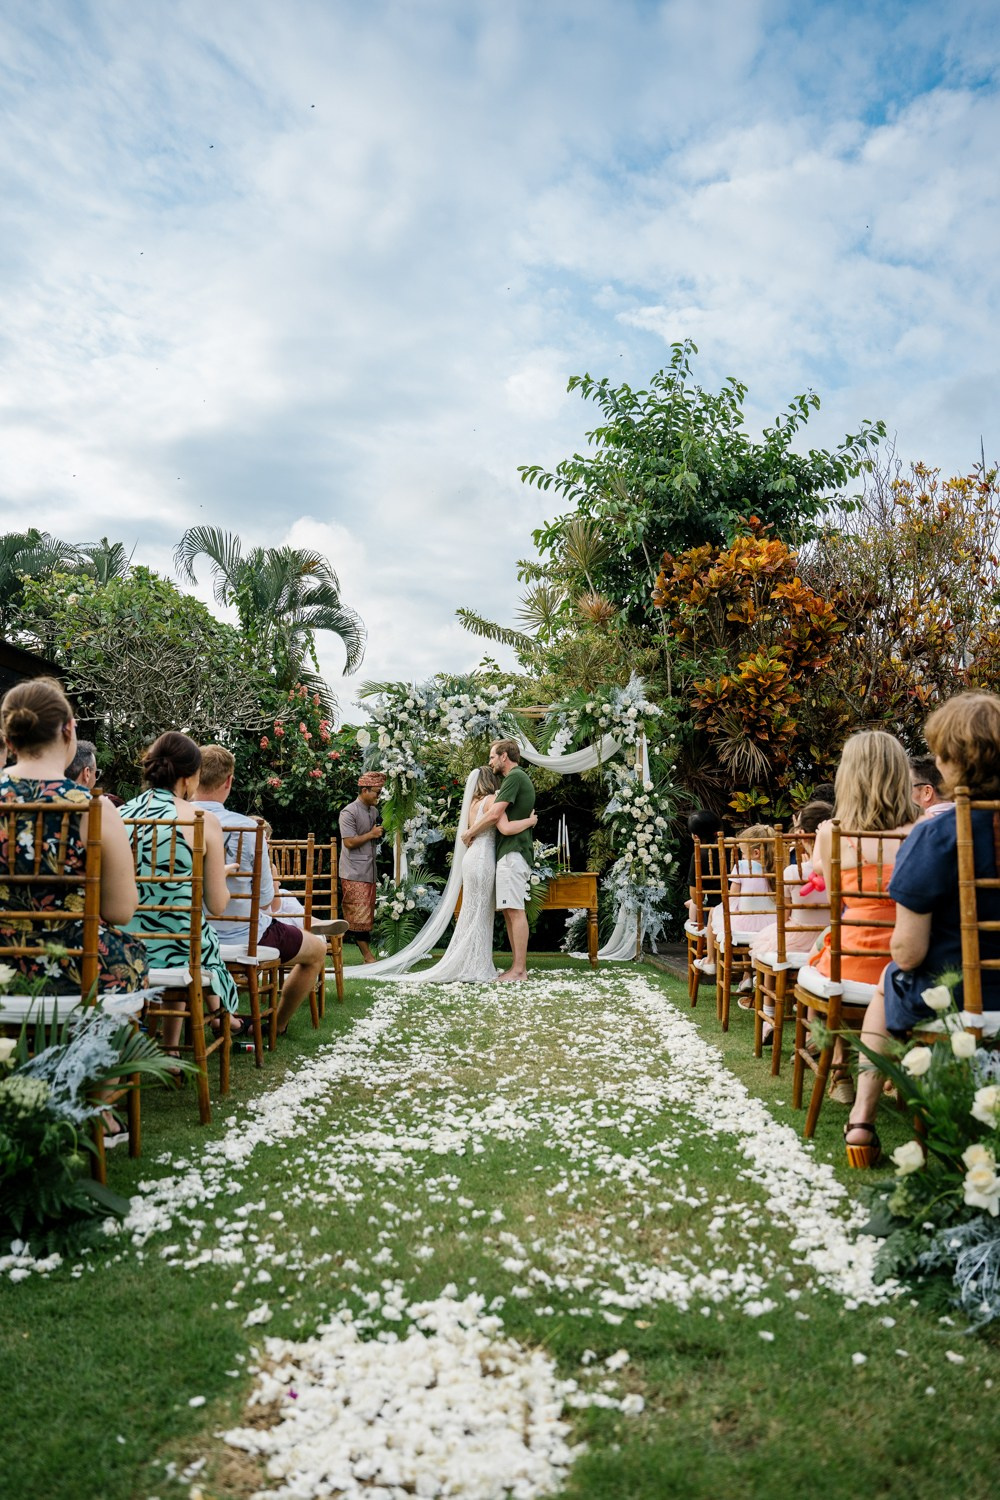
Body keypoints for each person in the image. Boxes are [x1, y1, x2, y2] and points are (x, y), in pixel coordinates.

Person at [845, 694, 1000, 1166]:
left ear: (953, 760)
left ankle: (861, 1122)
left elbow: (908, 952)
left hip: (959, 994)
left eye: (938, 751)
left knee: (889, 978)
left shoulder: (937, 835)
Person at [0, 677, 148, 999]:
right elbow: (121, 910)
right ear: (69, 729)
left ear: (9, 741)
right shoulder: (94, 808)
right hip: (78, 971)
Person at [803, 730, 917, 1108]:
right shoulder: (921, 833)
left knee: (825, 953)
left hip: (852, 961)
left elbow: (837, 907)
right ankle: (894, 1063)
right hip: (904, 960)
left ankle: (839, 1069)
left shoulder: (833, 835)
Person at [193, 745, 328, 1033]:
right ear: (229, 781)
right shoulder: (249, 828)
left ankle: (220, 1015)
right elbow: (267, 900)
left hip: (192, 937)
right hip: (247, 937)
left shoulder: (175, 821)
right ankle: (276, 1025)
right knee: (317, 948)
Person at [120, 733, 243, 1047]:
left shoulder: (119, 816)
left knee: (177, 927)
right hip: (182, 948)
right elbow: (217, 905)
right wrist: (217, 878)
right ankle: (193, 1035)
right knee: (185, 932)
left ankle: (170, 1048)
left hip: (127, 945)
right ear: (188, 778)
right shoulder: (202, 820)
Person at [413, 766, 537, 982]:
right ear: (491, 781)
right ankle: (476, 964)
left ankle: (470, 961)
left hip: (471, 857)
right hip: (483, 859)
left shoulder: (472, 804)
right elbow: (505, 828)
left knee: (472, 910)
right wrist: (530, 821)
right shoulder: (491, 801)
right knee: (481, 911)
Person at [749, 800, 833, 1043]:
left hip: (795, 940)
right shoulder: (840, 868)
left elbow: (784, 917)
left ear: (802, 835)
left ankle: (769, 1018)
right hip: (827, 941)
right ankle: (812, 1024)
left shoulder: (792, 872)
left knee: (772, 950)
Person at [462, 740, 536, 982]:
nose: (490, 762)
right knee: (509, 911)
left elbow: (495, 816)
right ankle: (517, 968)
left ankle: (519, 970)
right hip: (507, 853)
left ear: (504, 756)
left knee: (514, 910)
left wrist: (470, 832)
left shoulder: (515, 777)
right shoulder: (512, 780)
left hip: (513, 853)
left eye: (492, 757)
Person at [693, 823, 776, 980]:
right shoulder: (777, 867)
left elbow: (732, 897)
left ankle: (711, 960)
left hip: (745, 925)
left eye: (743, 853)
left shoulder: (742, 866)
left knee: (714, 912)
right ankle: (747, 976)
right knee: (740, 916)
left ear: (756, 853)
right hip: (771, 926)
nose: (742, 857)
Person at [339, 773, 385, 963]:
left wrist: (378, 834)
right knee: (357, 915)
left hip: (369, 870)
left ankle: (365, 955)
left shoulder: (373, 811)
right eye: (376, 792)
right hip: (353, 872)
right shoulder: (348, 812)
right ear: (364, 790)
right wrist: (372, 834)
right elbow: (349, 842)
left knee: (365, 915)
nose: (378, 796)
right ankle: (368, 957)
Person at [683, 808, 724, 926]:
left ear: (695, 837)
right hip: (741, 908)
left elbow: (697, 898)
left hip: (715, 912)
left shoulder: (700, 855)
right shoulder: (736, 848)